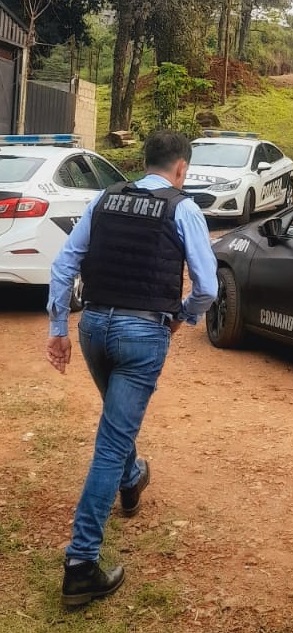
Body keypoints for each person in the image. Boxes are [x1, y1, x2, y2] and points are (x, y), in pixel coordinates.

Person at [46, 130, 218, 607]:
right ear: (181, 168)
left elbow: (64, 265)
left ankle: (132, 478)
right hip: (142, 334)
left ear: (145, 162)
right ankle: (81, 564)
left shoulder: (105, 199)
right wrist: (183, 317)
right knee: (112, 440)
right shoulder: (183, 208)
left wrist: (58, 327)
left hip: (93, 328)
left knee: (116, 425)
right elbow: (207, 287)